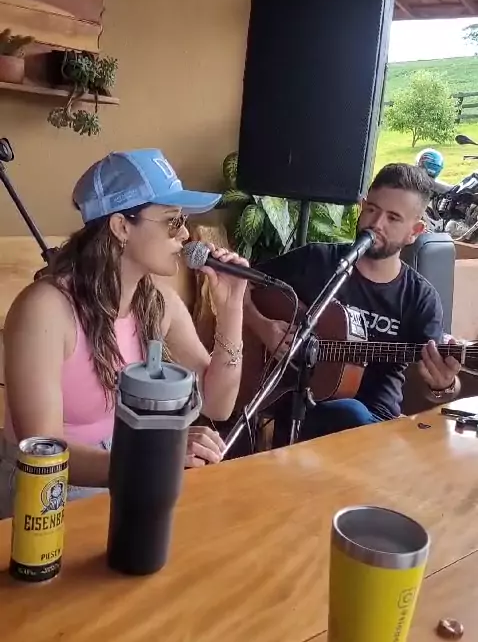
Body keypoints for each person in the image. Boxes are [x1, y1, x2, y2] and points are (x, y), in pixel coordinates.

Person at [0, 149, 248, 517]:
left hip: (127, 469)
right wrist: (154, 459)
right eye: (172, 220)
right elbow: (41, 450)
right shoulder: (45, 310)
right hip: (51, 490)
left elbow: (217, 404)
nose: (184, 234)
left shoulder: (159, 301)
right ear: (121, 227)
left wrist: (230, 309)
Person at [244, 163, 462, 446]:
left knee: (352, 412)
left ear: (415, 231)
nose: (377, 223)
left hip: (373, 426)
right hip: (297, 407)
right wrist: (261, 325)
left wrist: (445, 384)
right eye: (372, 209)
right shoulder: (317, 261)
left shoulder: (420, 298)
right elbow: (241, 281)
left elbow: (437, 385)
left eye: (393, 218)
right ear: (362, 206)